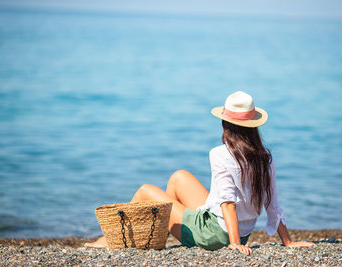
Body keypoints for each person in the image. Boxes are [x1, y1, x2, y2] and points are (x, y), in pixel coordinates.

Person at [85, 91, 314, 255]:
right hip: (238, 231)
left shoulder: (220, 154)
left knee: (146, 190)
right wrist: (288, 241)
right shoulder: (265, 156)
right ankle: (158, 235)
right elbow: (271, 203)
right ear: (253, 125)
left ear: (226, 124)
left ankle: (113, 239)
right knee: (178, 177)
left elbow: (227, 203)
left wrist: (234, 244)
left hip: (214, 235)